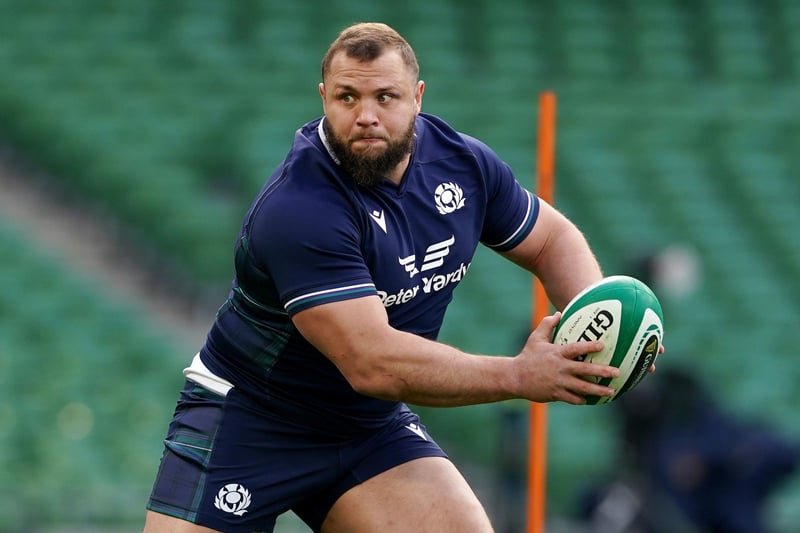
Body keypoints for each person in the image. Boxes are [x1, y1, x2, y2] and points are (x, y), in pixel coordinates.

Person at [143, 22, 624, 533]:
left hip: (366, 425)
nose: (366, 116)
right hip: (251, 421)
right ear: (324, 98)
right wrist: (518, 375)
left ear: (417, 98)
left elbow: (552, 239)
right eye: (347, 97)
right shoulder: (300, 208)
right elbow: (372, 363)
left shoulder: (462, 163)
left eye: (385, 97)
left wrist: (598, 317)